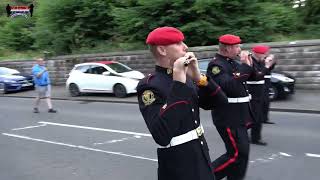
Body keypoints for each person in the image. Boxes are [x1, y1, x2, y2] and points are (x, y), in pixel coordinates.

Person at [137, 27, 227, 180]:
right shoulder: (150, 85)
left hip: (200, 152)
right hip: (178, 163)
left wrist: (199, 78)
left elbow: (220, 102)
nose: (185, 47)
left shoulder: (188, 76)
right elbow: (161, 135)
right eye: (178, 43)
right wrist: (178, 82)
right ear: (162, 50)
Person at [206, 34, 257, 180]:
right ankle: (205, 176)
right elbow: (231, 86)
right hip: (229, 117)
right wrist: (245, 66)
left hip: (240, 116)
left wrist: (249, 64)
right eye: (237, 46)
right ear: (228, 48)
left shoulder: (233, 63)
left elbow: (252, 77)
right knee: (236, 154)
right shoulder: (216, 65)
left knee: (243, 155)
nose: (240, 49)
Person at [247, 45, 276, 146]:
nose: (265, 55)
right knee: (254, 118)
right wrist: (267, 65)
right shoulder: (251, 62)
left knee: (256, 118)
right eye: (263, 53)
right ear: (258, 53)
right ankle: (253, 138)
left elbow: (267, 70)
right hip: (252, 94)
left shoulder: (260, 61)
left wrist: (271, 62)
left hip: (260, 93)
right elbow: (258, 76)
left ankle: (255, 138)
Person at [263, 55, 276, 124]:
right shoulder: (262, 63)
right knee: (263, 103)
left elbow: (272, 66)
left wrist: (272, 60)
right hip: (262, 86)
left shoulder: (267, 64)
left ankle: (265, 119)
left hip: (267, 85)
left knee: (266, 104)